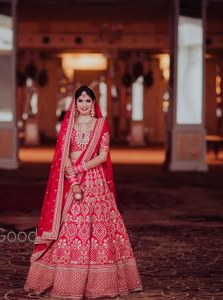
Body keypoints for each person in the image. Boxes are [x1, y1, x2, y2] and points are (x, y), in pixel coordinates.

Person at [24, 86, 143, 299]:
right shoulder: (68, 125)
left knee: (100, 230)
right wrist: (73, 180)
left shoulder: (100, 124)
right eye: (81, 101)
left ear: (94, 103)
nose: (85, 105)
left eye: (89, 101)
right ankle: (67, 283)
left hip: (95, 181)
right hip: (73, 182)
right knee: (71, 229)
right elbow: (64, 157)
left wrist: (81, 168)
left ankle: (101, 285)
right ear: (75, 103)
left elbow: (103, 155)